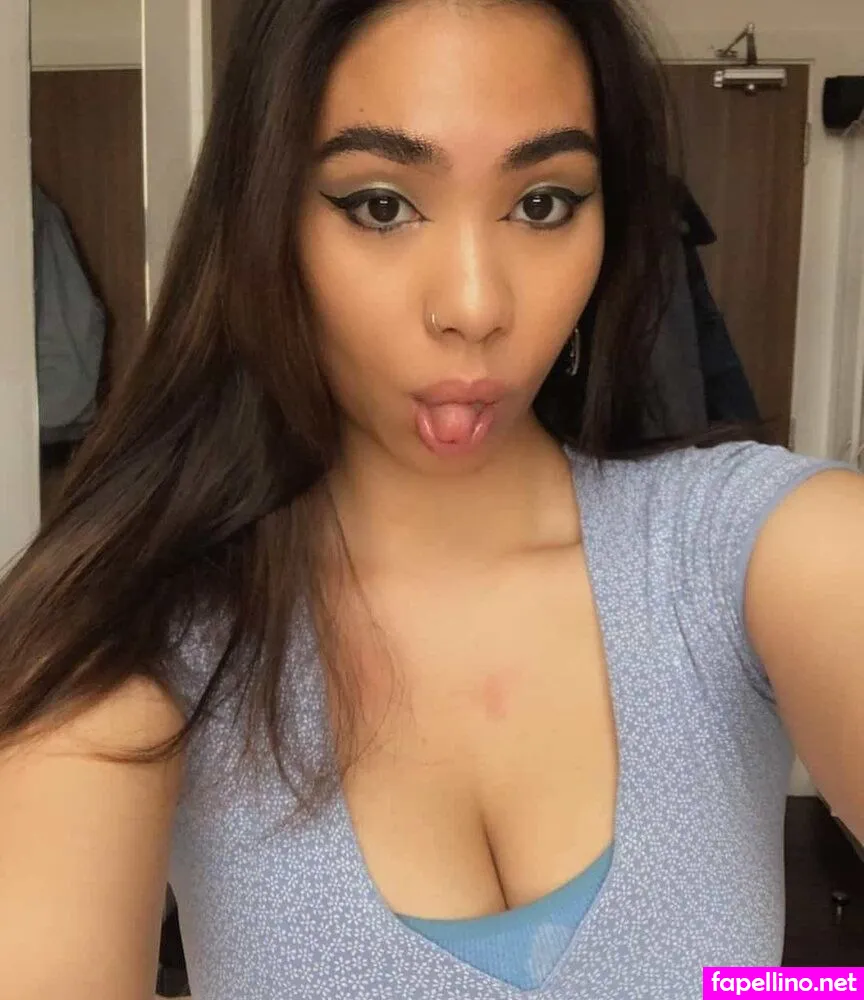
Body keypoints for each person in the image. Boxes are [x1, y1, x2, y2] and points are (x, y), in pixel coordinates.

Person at [0, 0, 862, 997]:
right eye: (380, 205)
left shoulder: (758, 547)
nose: (475, 306)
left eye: (543, 203)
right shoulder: (150, 640)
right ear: (265, 225)